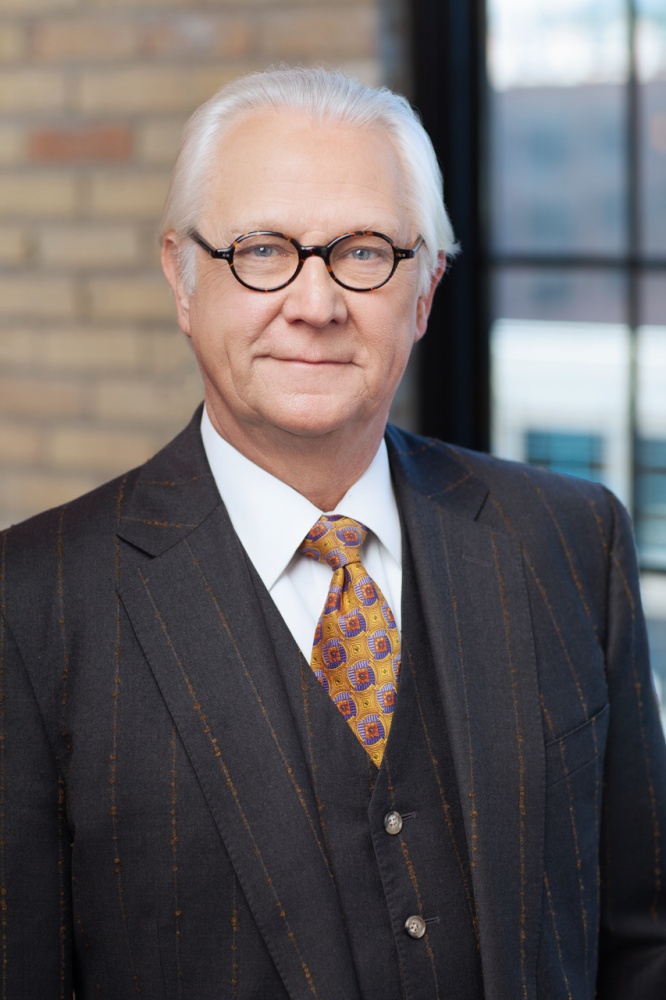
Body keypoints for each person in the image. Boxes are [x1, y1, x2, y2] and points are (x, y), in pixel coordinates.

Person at [1, 66, 665, 1000]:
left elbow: (643, 941)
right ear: (183, 277)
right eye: (263, 250)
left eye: (362, 252)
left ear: (426, 288)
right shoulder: (30, 609)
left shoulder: (569, 542)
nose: (314, 305)